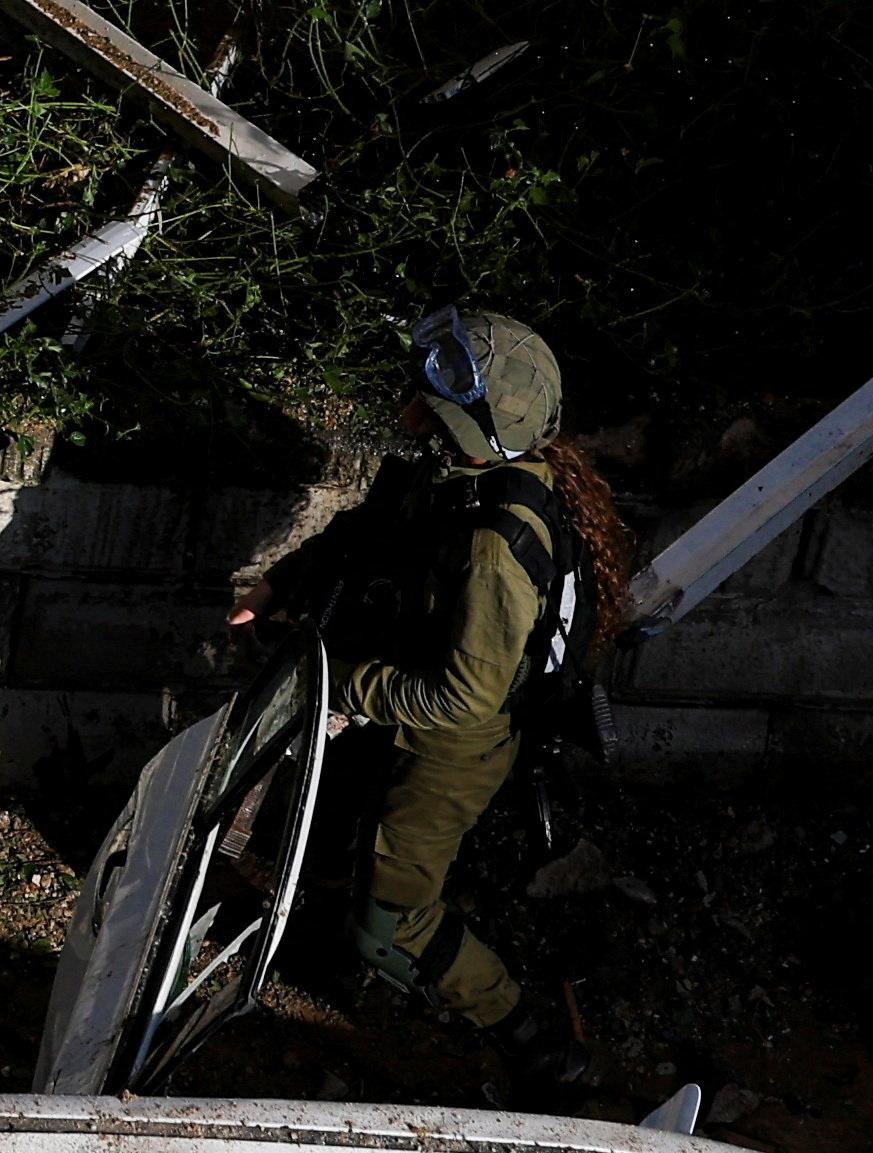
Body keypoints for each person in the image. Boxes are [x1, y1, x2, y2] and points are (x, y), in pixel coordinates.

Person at [237, 305, 636, 1098]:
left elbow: (461, 699)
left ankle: (532, 1043)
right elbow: (373, 527)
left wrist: (338, 682)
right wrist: (284, 580)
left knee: (393, 925)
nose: (412, 393)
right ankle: (314, 942)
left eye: (436, 387)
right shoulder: (463, 471)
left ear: (472, 420)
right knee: (325, 824)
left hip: (453, 740)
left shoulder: (493, 547)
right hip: (414, 691)